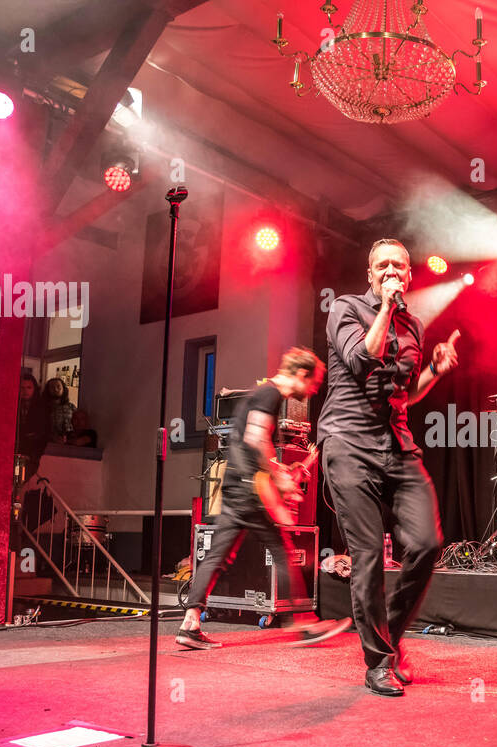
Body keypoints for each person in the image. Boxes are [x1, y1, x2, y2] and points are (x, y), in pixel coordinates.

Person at [318, 238, 459, 697]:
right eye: (382, 265)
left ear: (412, 274)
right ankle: (377, 661)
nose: (391, 270)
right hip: (348, 441)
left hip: (396, 444)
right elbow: (365, 357)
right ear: (370, 274)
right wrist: (383, 307)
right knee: (369, 554)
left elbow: (405, 393)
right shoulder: (344, 308)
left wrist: (434, 371)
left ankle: (390, 639)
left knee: (427, 542)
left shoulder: (415, 324)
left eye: (399, 265)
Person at [177, 348, 348, 649]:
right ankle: (302, 624)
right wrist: (279, 482)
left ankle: (190, 623)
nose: (311, 392)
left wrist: (287, 469)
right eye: (313, 385)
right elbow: (256, 442)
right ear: (301, 374)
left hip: (237, 487)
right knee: (282, 551)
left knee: (218, 556)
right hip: (248, 490)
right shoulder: (269, 395)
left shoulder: (265, 395)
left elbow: (254, 445)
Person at [16, 373, 51, 481]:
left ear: (34, 389)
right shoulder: (13, 406)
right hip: (12, 453)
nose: (25, 391)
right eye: (22, 388)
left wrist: (32, 455)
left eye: (29, 387)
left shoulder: (42, 408)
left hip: (31, 456)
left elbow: (43, 434)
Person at [43, 378, 77, 442]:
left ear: (63, 388)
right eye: (52, 387)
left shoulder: (71, 407)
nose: (55, 389)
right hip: (50, 443)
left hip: (70, 442)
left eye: (58, 386)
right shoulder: (43, 408)